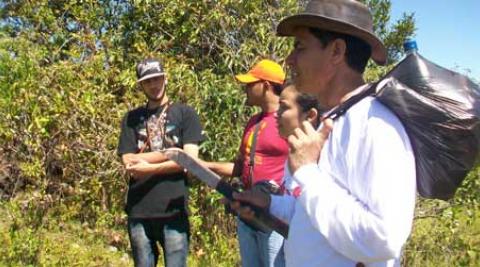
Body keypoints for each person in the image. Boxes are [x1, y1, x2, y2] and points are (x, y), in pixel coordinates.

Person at [231, 0, 417, 266]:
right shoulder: (332, 120)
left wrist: (308, 172)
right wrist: (268, 204)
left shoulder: (376, 125)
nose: (290, 59)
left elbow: (383, 239)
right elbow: (311, 210)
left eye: (300, 47)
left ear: (336, 51)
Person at [117, 58, 204, 267]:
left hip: (173, 209)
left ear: (165, 78)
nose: (154, 85)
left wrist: (147, 166)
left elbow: (191, 160)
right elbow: (128, 161)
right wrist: (174, 154)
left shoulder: (186, 114)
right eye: (148, 82)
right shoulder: (131, 118)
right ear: (141, 85)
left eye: (157, 79)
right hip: (139, 209)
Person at [204, 59, 289, 267]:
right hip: (247, 217)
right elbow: (240, 167)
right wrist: (205, 166)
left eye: (252, 83)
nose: (246, 88)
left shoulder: (288, 120)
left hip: (274, 222)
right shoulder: (253, 122)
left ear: (267, 86)